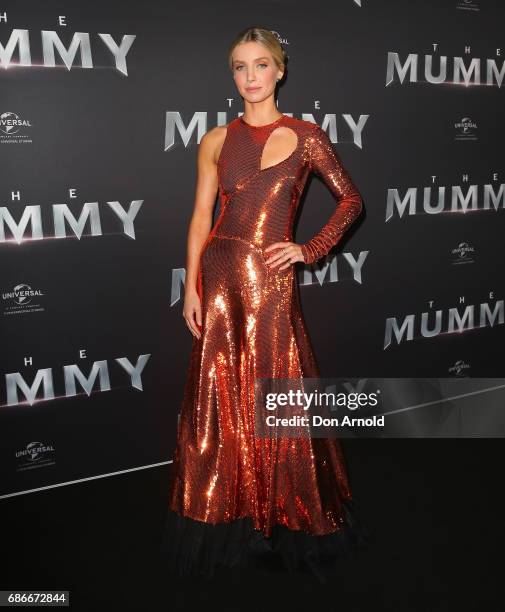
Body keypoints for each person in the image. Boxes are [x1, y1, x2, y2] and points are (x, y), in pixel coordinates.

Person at [160, 26, 368, 583]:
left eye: (260, 65)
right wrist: (191, 286)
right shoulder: (214, 140)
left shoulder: (307, 136)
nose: (249, 77)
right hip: (222, 274)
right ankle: (229, 507)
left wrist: (310, 248)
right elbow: (202, 217)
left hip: (272, 281)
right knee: (220, 396)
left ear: (279, 71)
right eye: (239, 67)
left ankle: (283, 509)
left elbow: (351, 200)